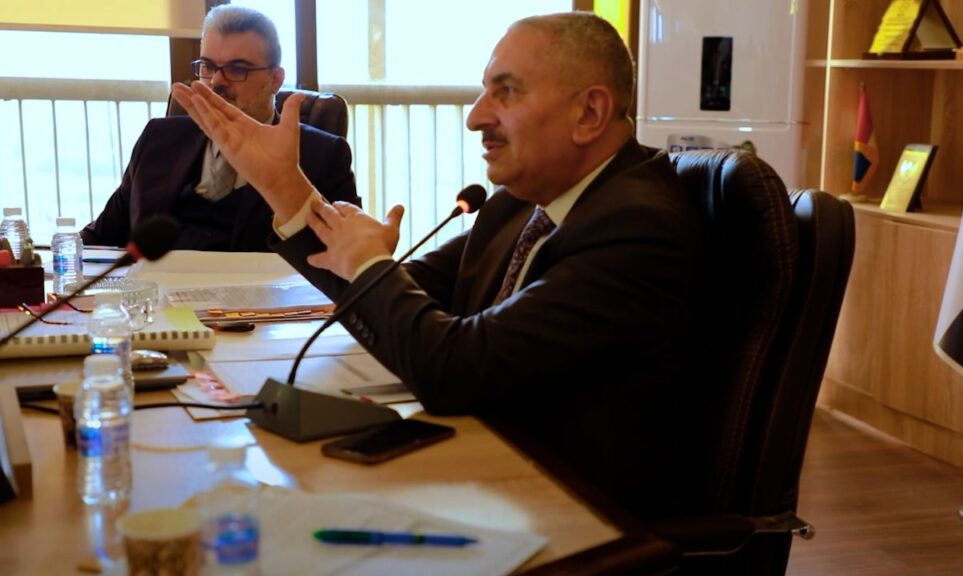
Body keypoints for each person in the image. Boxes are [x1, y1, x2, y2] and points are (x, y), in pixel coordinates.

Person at [172, 12, 711, 520]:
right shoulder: (521, 203)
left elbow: (456, 370)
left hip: (572, 513)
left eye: (506, 91)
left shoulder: (637, 228)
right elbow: (393, 297)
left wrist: (369, 262)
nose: (476, 116)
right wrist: (285, 189)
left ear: (589, 113)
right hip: (489, 468)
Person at [80, 5, 358, 252]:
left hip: (261, 295)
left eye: (237, 69)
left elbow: (346, 259)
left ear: (275, 79)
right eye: (208, 66)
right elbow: (101, 237)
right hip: (159, 293)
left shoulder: (323, 154)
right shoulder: (158, 139)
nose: (216, 82)